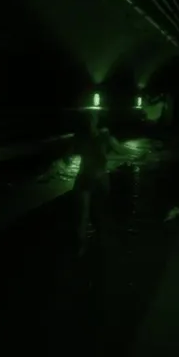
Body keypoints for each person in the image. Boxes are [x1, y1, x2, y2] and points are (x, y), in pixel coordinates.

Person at [73, 109, 131, 256]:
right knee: (87, 215)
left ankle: (90, 245)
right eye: (89, 118)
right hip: (89, 179)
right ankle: (85, 245)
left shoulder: (101, 136)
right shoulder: (87, 137)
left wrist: (131, 154)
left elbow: (120, 150)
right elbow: (119, 150)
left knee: (94, 214)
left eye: (93, 118)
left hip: (94, 179)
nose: (91, 121)